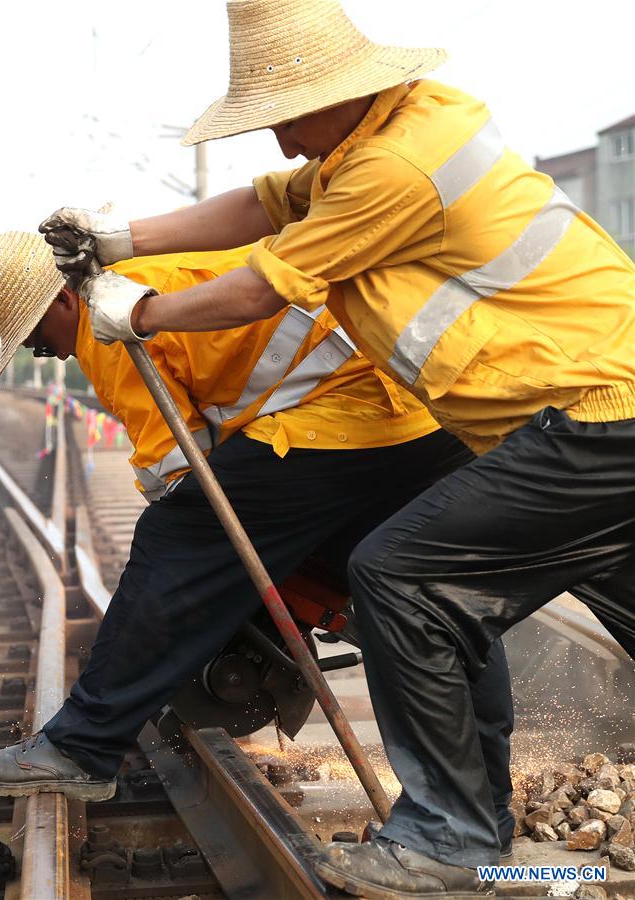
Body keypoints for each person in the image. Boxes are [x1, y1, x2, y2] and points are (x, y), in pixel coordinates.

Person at [38, 0, 635, 895]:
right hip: (581, 416)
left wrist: (138, 312)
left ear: (341, 92)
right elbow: (260, 204)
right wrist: (127, 238)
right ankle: (470, 830)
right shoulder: (380, 135)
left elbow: (260, 289)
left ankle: (451, 839)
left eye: (283, 116)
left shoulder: (391, 167)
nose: (278, 141)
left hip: (597, 417)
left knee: (400, 573)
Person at [0, 232, 516, 855]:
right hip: (420, 411)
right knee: (429, 597)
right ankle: (484, 814)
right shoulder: (157, 270)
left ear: (64, 299)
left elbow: (180, 471)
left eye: (37, 333)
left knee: (175, 540)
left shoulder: (107, 320)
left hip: (342, 413)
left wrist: (201, 588)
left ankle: (81, 747)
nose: (48, 352)